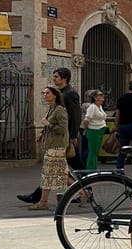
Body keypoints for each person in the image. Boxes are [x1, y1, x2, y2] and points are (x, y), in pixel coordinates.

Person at [16, 68, 81, 203]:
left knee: (67, 168)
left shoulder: (70, 94)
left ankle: (85, 191)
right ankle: (84, 191)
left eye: (56, 76)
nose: (54, 78)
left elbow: (75, 116)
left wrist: (73, 136)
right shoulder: (58, 94)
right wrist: (42, 133)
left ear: (64, 79)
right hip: (58, 138)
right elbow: (51, 118)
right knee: (58, 169)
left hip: (64, 138)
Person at [29, 86, 69, 210]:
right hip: (51, 145)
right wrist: (42, 135)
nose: (45, 95)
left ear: (54, 95)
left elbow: (62, 129)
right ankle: (83, 192)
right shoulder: (51, 109)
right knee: (59, 174)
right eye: (44, 93)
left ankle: (43, 202)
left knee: (49, 174)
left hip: (57, 147)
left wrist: (49, 124)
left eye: (47, 93)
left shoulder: (60, 110)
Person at [82, 91, 108, 169]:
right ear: (95, 98)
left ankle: (94, 168)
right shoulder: (92, 107)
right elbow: (86, 120)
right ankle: (90, 169)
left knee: (95, 152)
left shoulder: (99, 107)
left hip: (100, 130)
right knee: (92, 152)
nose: (102, 98)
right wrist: (85, 129)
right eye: (100, 96)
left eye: (102, 96)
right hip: (94, 131)